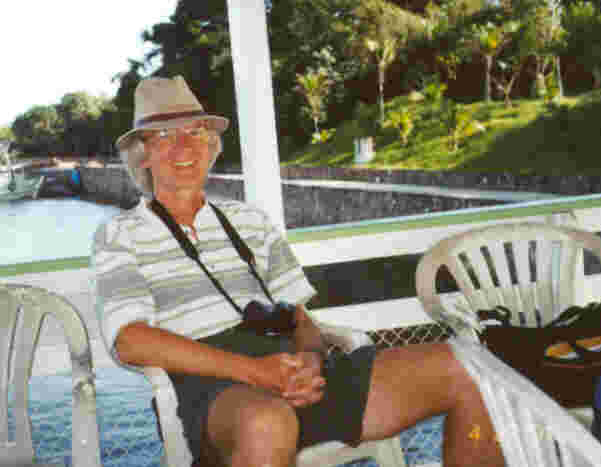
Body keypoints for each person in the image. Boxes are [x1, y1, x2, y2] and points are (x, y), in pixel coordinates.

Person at [92, 75, 504, 467]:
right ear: (142, 152)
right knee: (268, 423)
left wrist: (309, 359)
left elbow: (300, 316)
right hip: (213, 385)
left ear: (211, 144)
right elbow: (130, 340)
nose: (183, 146)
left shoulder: (250, 221)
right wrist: (255, 372)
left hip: (295, 372)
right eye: (164, 134)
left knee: (468, 367)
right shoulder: (119, 234)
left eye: (195, 131)